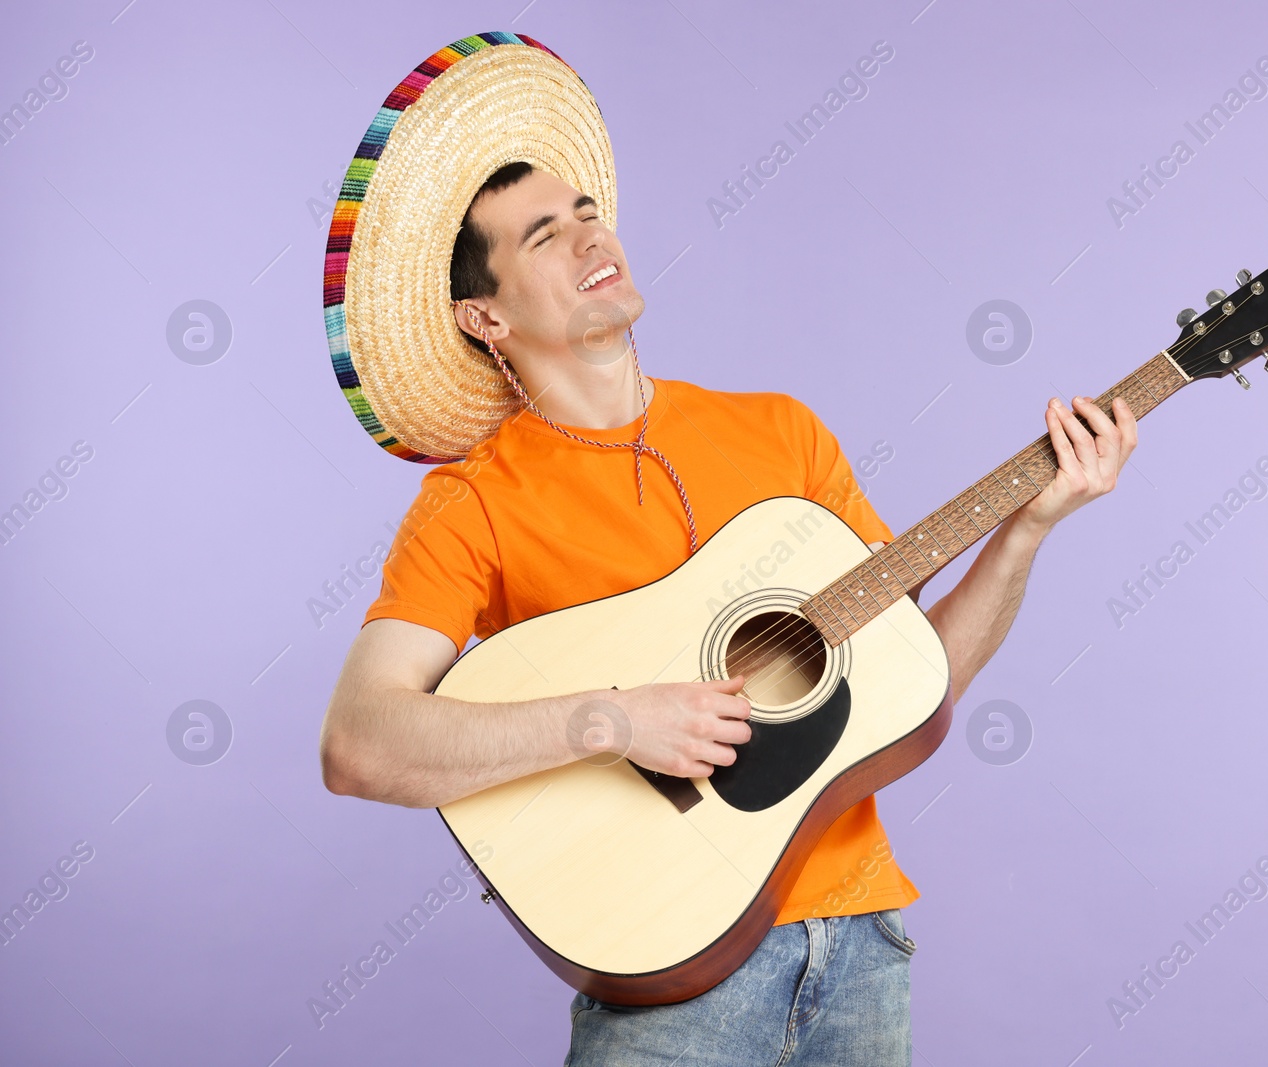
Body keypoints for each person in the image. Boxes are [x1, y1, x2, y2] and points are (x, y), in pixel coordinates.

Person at [316, 32, 1135, 1066]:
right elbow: (361, 742)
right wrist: (612, 719)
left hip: (865, 954)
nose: (587, 238)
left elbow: (909, 678)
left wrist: (1027, 526)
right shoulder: (471, 505)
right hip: (665, 987)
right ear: (484, 314)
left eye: (586, 213)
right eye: (541, 237)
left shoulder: (781, 433)